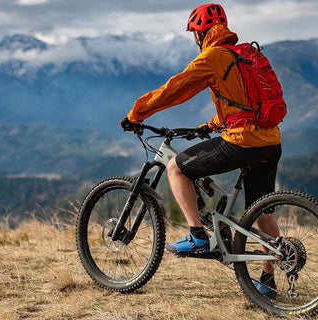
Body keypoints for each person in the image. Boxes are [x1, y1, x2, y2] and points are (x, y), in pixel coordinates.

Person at [120, 3, 281, 297]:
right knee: (263, 211)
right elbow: (244, 101)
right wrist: (211, 125)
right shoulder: (243, 54)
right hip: (271, 140)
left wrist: (137, 114)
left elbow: (174, 89)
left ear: (200, 32)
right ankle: (268, 281)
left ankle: (197, 235)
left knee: (177, 168)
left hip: (242, 141)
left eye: (194, 32)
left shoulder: (212, 56)